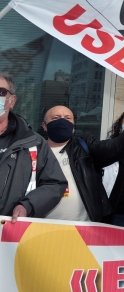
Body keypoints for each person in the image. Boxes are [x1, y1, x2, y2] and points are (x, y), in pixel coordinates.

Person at [42, 101, 124, 222]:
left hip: (83, 228)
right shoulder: (34, 153)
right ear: (44, 126)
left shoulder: (85, 147)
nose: (62, 121)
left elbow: (118, 147)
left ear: (73, 127)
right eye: (56, 118)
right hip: (42, 226)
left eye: (67, 118)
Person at [0, 72, 67, 223]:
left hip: (9, 232)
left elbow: (55, 183)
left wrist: (28, 205)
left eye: (1, 92)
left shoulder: (33, 142)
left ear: (12, 101)